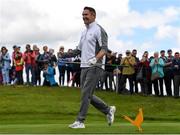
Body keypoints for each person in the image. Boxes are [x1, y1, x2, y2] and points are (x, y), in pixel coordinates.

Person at [63, 7, 116, 128]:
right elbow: (78, 50)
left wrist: (96, 59)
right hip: (84, 66)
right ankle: (108, 110)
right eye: (82, 15)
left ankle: (80, 121)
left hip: (95, 66)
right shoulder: (84, 32)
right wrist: (64, 54)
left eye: (86, 14)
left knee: (86, 94)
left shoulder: (99, 29)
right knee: (87, 94)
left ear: (93, 16)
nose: (84, 17)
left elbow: (104, 48)